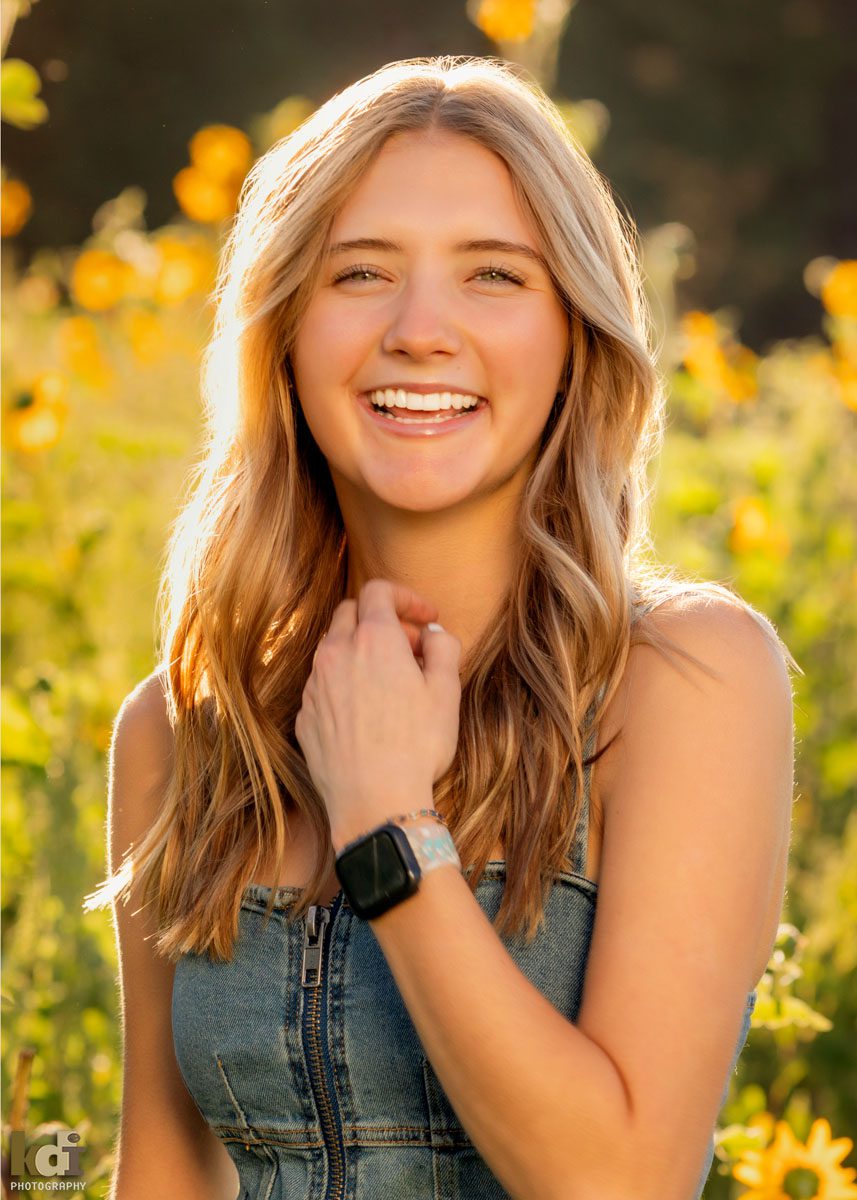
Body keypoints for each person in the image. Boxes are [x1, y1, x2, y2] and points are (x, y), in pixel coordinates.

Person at [84, 55, 797, 1200]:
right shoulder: (181, 730)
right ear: (283, 331)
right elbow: (162, 1178)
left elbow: (623, 1182)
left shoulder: (684, 680)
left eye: (492, 275)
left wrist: (387, 824)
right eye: (359, 272)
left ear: (572, 336)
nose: (419, 331)